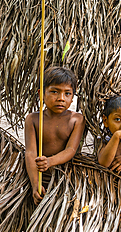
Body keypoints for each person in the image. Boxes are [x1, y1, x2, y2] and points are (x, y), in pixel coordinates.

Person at [25, 66, 85, 205]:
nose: (61, 98)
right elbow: (30, 152)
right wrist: (35, 183)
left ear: (72, 97)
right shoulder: (33, 119)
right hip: (37, 173)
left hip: (64, 176)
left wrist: (50, 161)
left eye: (67, 93)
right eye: (54, 92)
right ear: (41, 94)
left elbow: (71, 150)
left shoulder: (76, 120)